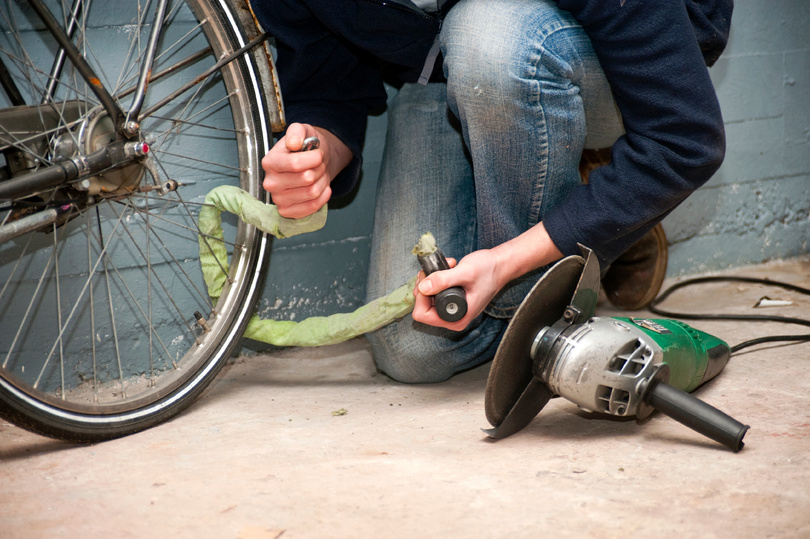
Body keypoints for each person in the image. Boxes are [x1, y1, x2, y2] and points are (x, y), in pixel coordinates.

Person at [252, 0, 733, 383]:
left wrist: (506, 264)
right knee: (414, 349)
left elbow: (683, 139)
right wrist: (316, 159)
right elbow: (331, 92)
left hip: (589, 58)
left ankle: (596, 209)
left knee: (490, 38)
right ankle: (595, 212)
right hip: (444, 77)